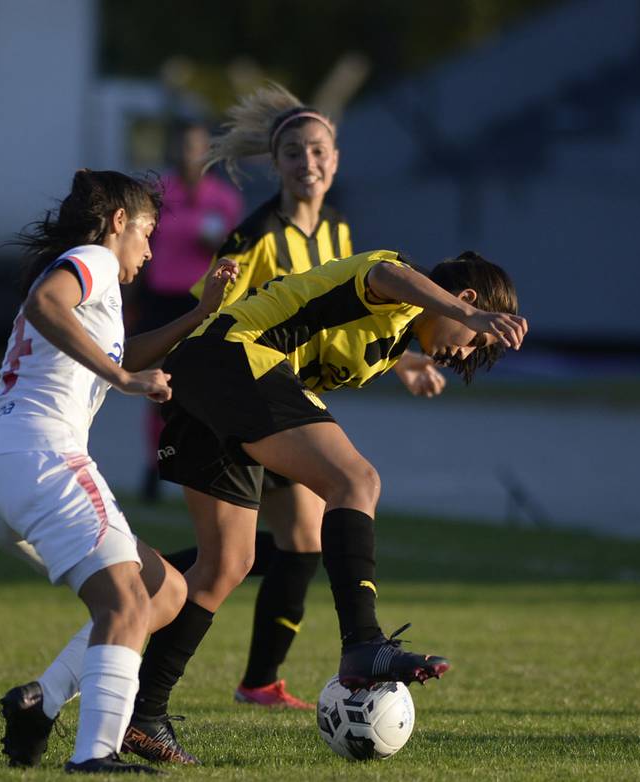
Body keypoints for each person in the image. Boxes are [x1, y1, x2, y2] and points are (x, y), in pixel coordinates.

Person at [121, 249, 527, 764]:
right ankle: (363, 642)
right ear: (464, 301)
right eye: (475, 343)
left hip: (203, 376)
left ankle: (143, 714)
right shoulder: (396, 280)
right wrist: (470, 318)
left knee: (226, 564)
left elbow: (346, 324)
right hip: (237, 357)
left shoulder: (397, 334)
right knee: (356, 480)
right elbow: (386, 276)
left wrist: (409, 359)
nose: (465, 354)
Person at [162, 83, 448, 712]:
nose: (307, 162)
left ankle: (250, 671)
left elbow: (347, 315)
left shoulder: (339, 233)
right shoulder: (255, 236)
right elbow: (208, 322)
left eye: (317, 150)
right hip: (250, 395)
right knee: (290, 540)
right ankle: (170, 596)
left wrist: (406, 359)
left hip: (290, 399)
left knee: (293, 544)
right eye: (293, 153)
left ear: (336, 159)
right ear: (277, 164)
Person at [0, 169, 237, 773]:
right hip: (43, 459)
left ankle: (43, 700)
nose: (150, 249)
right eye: (147, 234)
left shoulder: (101, 289)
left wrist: (199, 314)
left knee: (164, 590)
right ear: (119, 223)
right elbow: (44, 305)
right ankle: (96, 757)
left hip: (1, 470)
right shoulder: (90, 258)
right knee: (127, 607)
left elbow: (121, 351)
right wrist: (124, 381)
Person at [137, 120, 243, 502]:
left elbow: (233, 251)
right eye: (184, 146)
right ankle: (155, 462)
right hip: (162, 298)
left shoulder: (224, 198)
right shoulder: (160, 192)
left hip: (202, 300)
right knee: (159, 385)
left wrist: (215, 246)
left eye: (197, 147)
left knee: (200, 386)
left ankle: (201, 464)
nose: (190, 154)